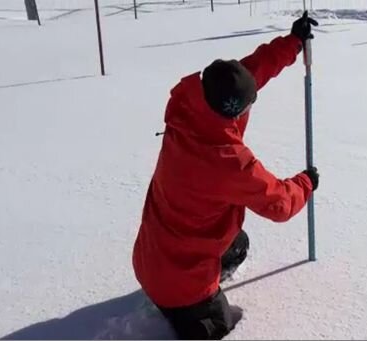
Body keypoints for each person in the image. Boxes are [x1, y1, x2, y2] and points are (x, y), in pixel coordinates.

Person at [132, 11, 320, 340]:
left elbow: (249, 73)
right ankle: (189, 308)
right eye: (249, 104)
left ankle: (185, 288)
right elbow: (278, 203)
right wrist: (306, 182)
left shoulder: (190, 108)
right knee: (216, 326)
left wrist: (292, 42)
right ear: (236, 110)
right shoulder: (227, 161)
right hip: (178, 286)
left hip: (150, 254)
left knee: (238, 243)